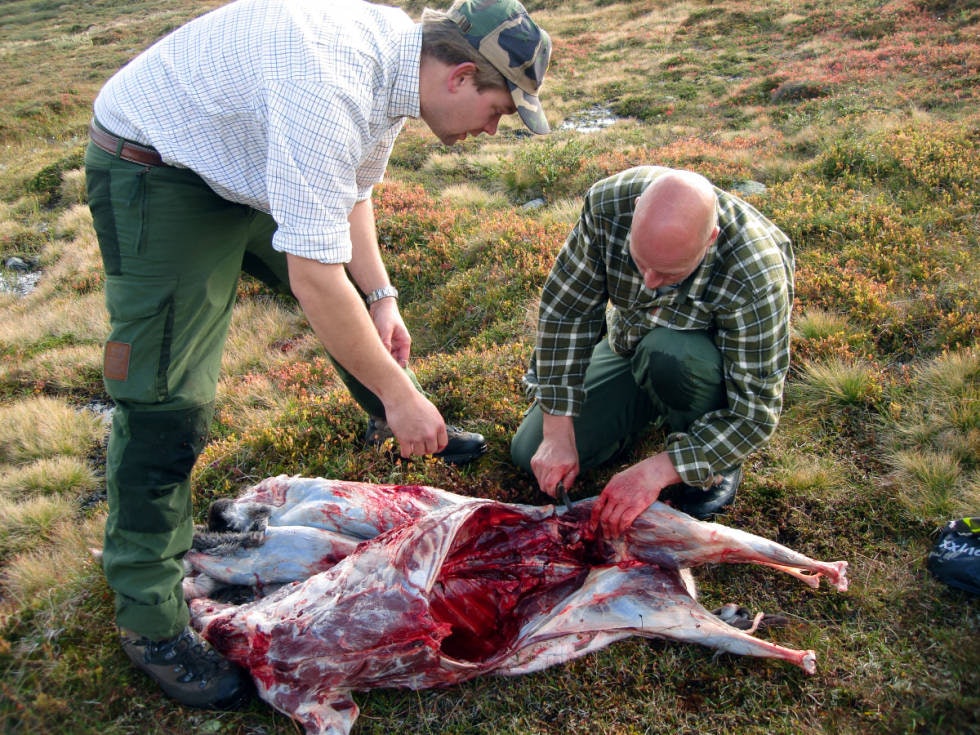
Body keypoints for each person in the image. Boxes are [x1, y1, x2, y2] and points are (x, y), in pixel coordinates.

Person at [84, 0, 551, 710]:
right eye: (499, 109)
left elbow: (351, 193)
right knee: (165, 399)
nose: (494, 128)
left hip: (243, 154)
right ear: (460, 76)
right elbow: (313, 275)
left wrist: (384, 294)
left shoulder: (397, 67)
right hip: (160, 167)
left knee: (358, 300)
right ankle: (148, 615)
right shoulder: (332, 82)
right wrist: (401, 388)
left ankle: (394, 421)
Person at [511, 166, 794, 540]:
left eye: (668, 273)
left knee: (670, 355)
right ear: (637, 207)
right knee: (528, 451)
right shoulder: (608, 205)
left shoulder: (755, 274)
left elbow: (754, 415)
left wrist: (658, 471)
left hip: (701, 363)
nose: (648, 283)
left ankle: (714, 462)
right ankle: (642, 412)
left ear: (710, 239)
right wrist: (557, 431)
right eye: (640, 262)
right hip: (630, 341)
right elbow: (567, 313)